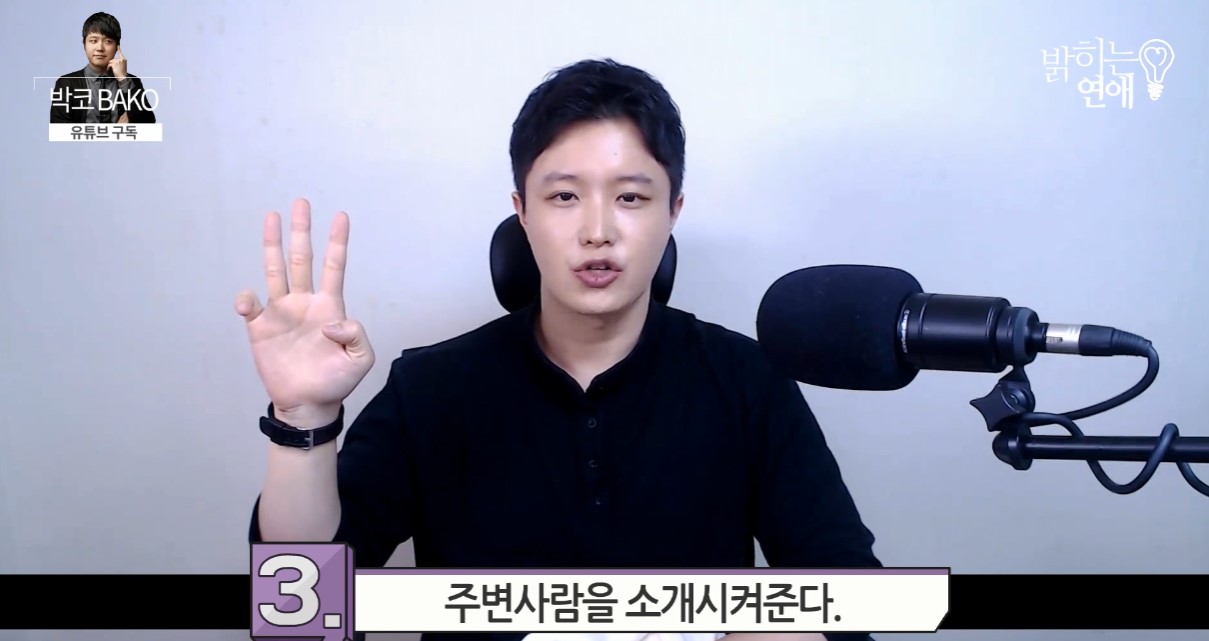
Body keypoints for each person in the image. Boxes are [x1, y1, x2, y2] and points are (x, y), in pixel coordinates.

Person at [240, 59, 880, 641]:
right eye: (564, 196)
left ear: (673, 211)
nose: (597, 231)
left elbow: (851, 598)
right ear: (522, 212)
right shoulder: (432, 388)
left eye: (631, 197)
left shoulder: (747, 381)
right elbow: (298, 614)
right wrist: (303, 419)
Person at [49, 12, 156, 125]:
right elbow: (59, 130)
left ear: (117, 47)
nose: (100, 48)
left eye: (108, 41)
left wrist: (123, 79)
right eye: (93, 41)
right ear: (84, 44)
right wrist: (116, 131)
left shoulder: (132, 81)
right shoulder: (66, 83)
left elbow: (148, 125)